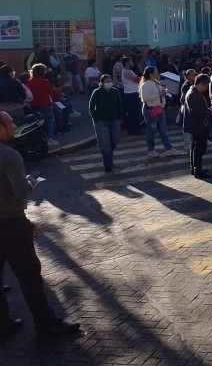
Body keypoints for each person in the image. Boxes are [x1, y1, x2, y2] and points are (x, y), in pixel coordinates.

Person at [0, 111, 82, 340]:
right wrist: (31, 182)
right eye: (10, 122)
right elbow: (21, 193)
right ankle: (46, 324)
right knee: (30, 277)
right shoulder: (10, 155)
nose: (14, 126)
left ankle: (2, 323)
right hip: (11, 224)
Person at [139, 67, 180, 159]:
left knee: (164, 130)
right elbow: (145, 98)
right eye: (156, 72)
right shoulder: (145, 84)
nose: (158, 73)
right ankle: (151, 150)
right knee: (151, 131)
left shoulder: (156, 82)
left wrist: (164, 93)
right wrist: (159, 94)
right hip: (151, 109)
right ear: (151, 74)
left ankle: (169, 148)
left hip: (159, 108)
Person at [88, 74, 123, 173]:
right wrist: (96, 118)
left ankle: (109, 157)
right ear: (102, 83)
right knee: (105, 143)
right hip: (101, 121)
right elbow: (91, 107)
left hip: (114, 120)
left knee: (115, 140)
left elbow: (119, 105)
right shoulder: (97, 92)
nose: (109, 83)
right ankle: (107, 164)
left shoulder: (115, 92)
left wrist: (119, 116)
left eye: (110, 81)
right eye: (107, 81)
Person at [182, 73, 212, 179]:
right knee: (199, 148)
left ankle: (195, 168)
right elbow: (198, 111)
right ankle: (197, 170)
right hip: (197, 125)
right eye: (205, 86)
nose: (206, 88)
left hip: (196, 124)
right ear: (199, 84)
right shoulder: (193, 94)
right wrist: (209, 111)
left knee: (196, 147)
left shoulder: (194, 93)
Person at [27, 64, 60, 146]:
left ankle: (41, 137)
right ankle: (50, 138)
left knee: (38, 121)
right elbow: (50, 92)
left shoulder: (30, 81)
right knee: (49, 121)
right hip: (45, 103)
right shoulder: (44, 81)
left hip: (35, 103)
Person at [120, 57, 143, 135]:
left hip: (131, 93)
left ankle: (132, 129)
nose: (132, 63)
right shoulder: (127, 72)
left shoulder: (128, 71)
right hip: (131, 94)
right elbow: (139, 80)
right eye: (131, 62)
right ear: (127, 63)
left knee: (132, 112)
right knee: (134, 112)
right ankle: (136, 129)